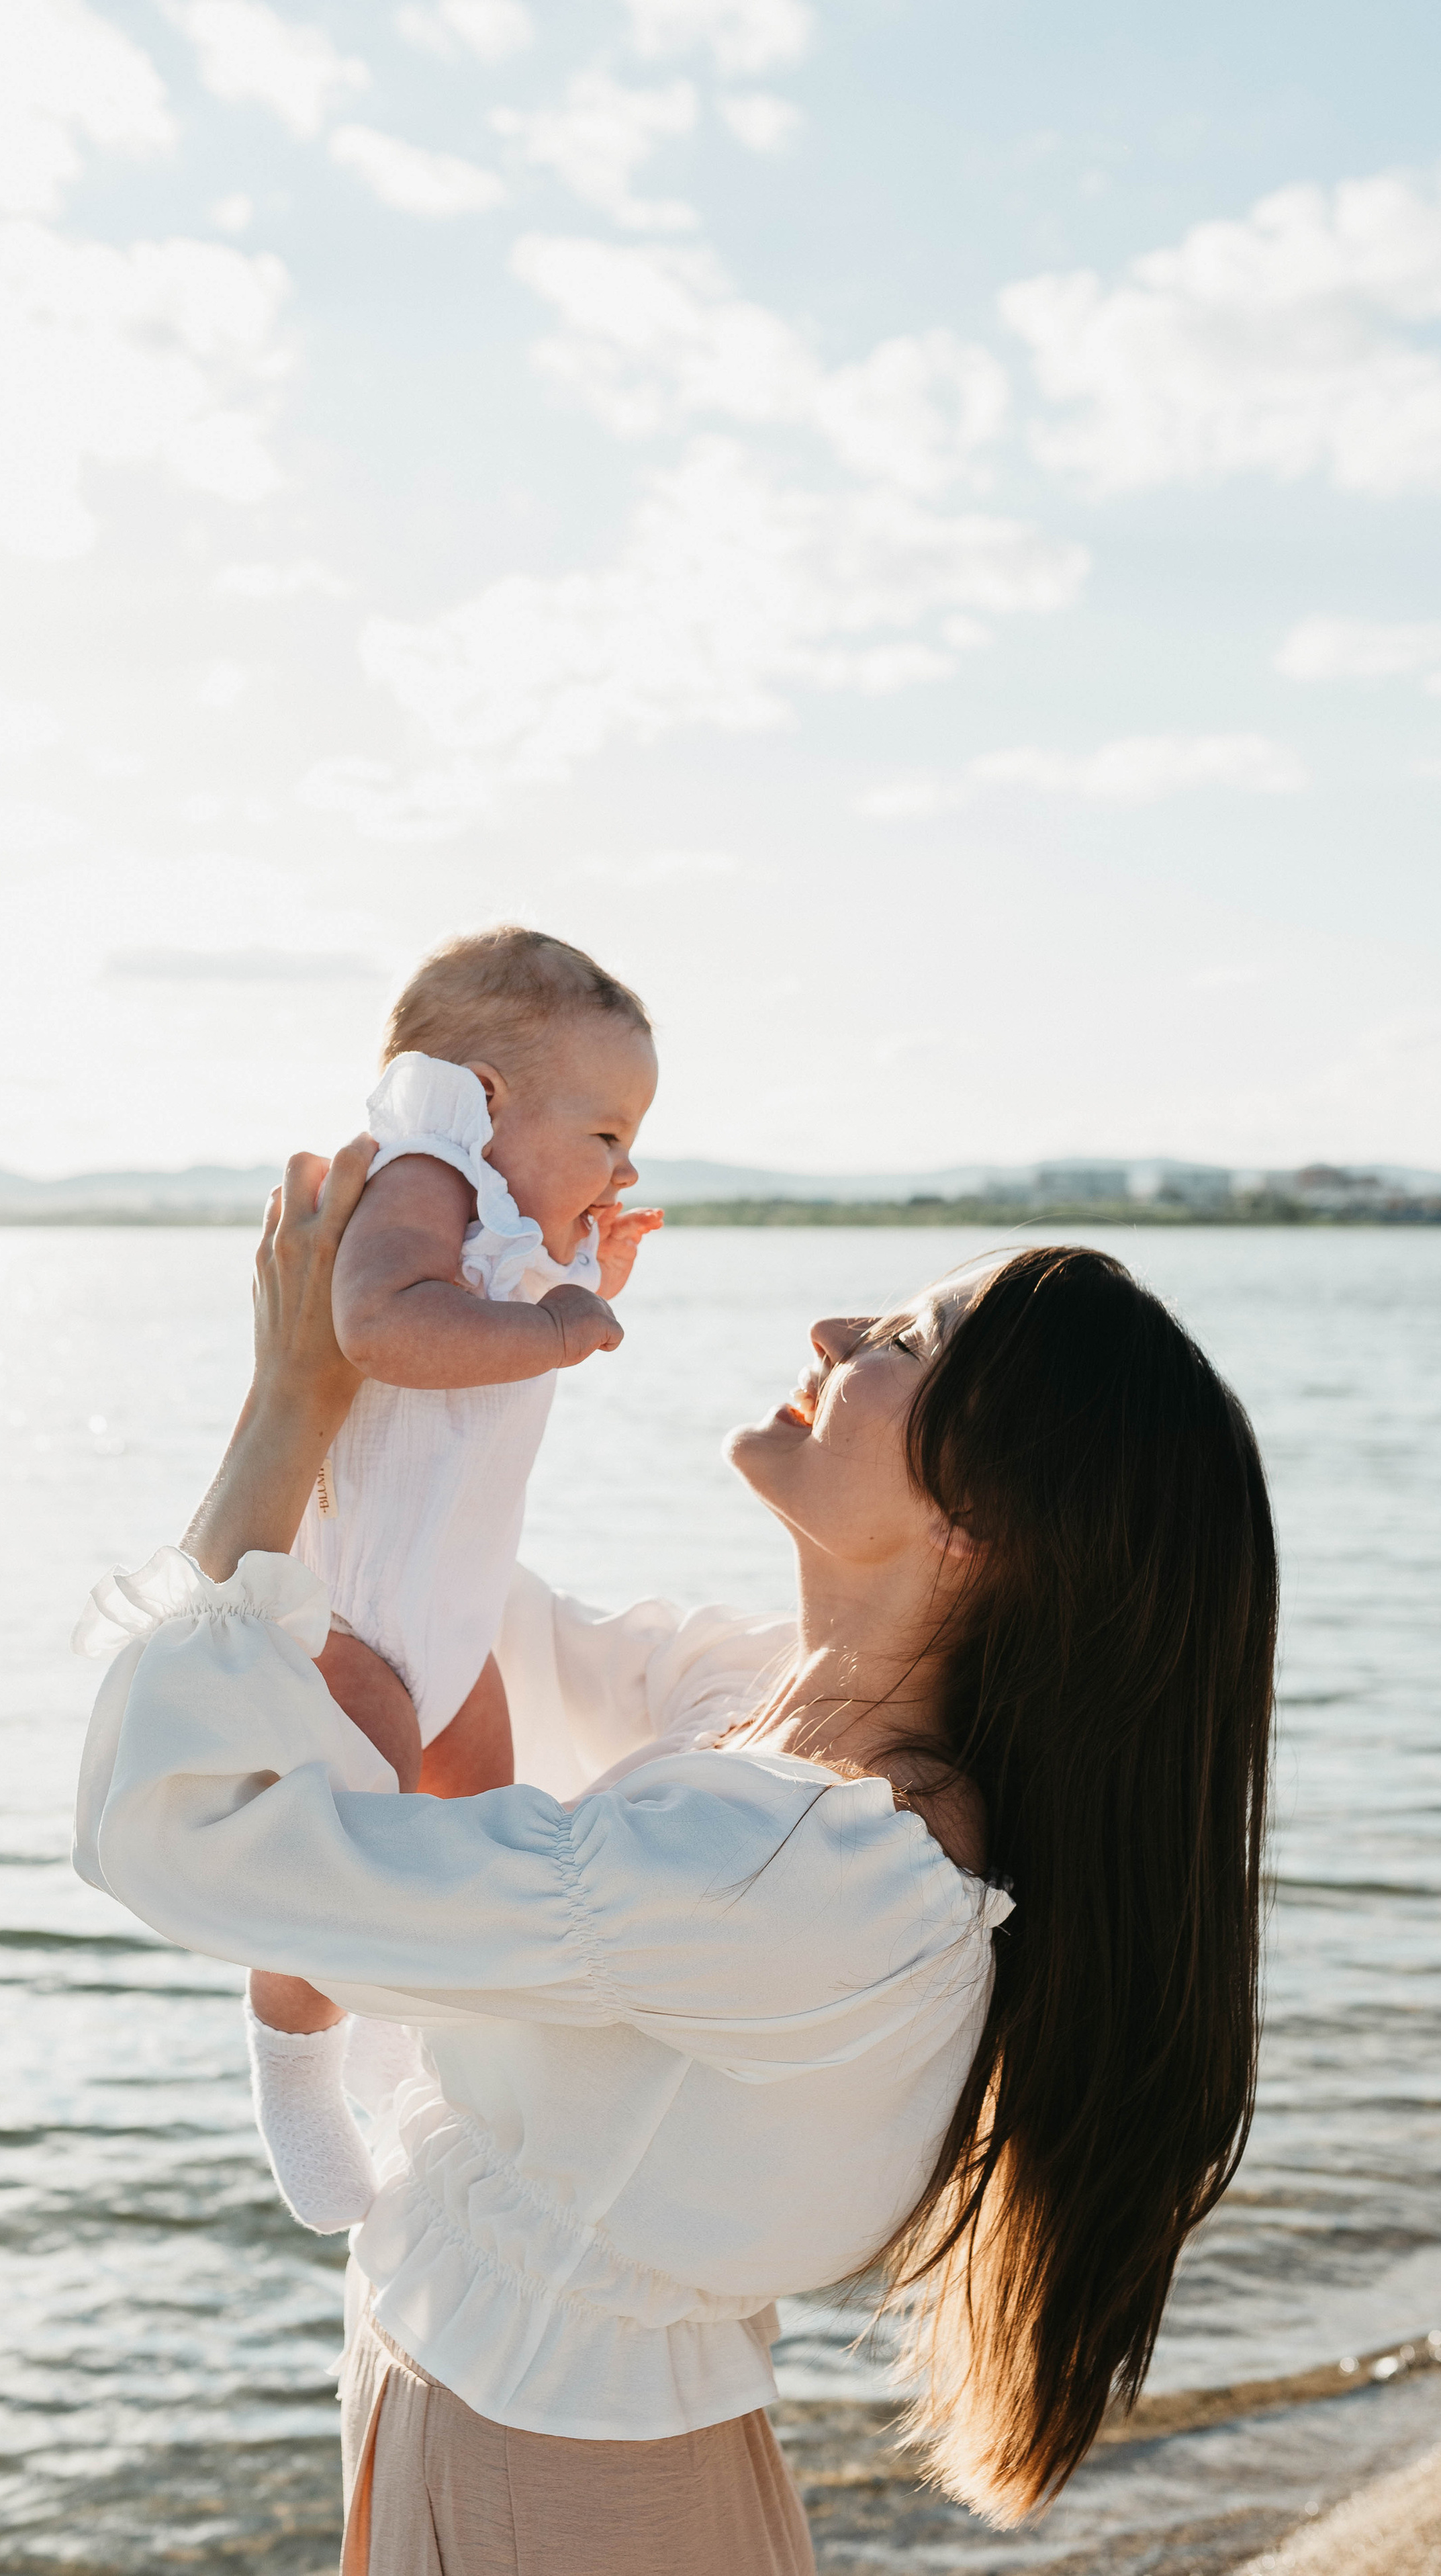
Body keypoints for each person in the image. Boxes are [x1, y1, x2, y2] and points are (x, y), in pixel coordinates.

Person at [74, 1143, 1276, 2574]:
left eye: (903, 1341)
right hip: (505, 2433)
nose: (831, 1335)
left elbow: (185, 1833)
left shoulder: (801, 1870)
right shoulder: (776, 1722)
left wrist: (288, 1407)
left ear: (976, 1529)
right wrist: (453, 1321)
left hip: (559, 2495)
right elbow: (434, 1613)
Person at [243, 928, 663, 2231]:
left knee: (477, 1797)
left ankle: (394, 2002)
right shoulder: (420, 1176)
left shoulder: (495, 1218)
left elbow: (491, 1296)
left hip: (447, 1613)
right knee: (348, 1844)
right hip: (360, 1614)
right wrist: (544, 1325)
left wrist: (580, 1270)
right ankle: (293, 2062)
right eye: (602, 1134)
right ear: (485, 1100)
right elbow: (378, 1323)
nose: (623, 1164)